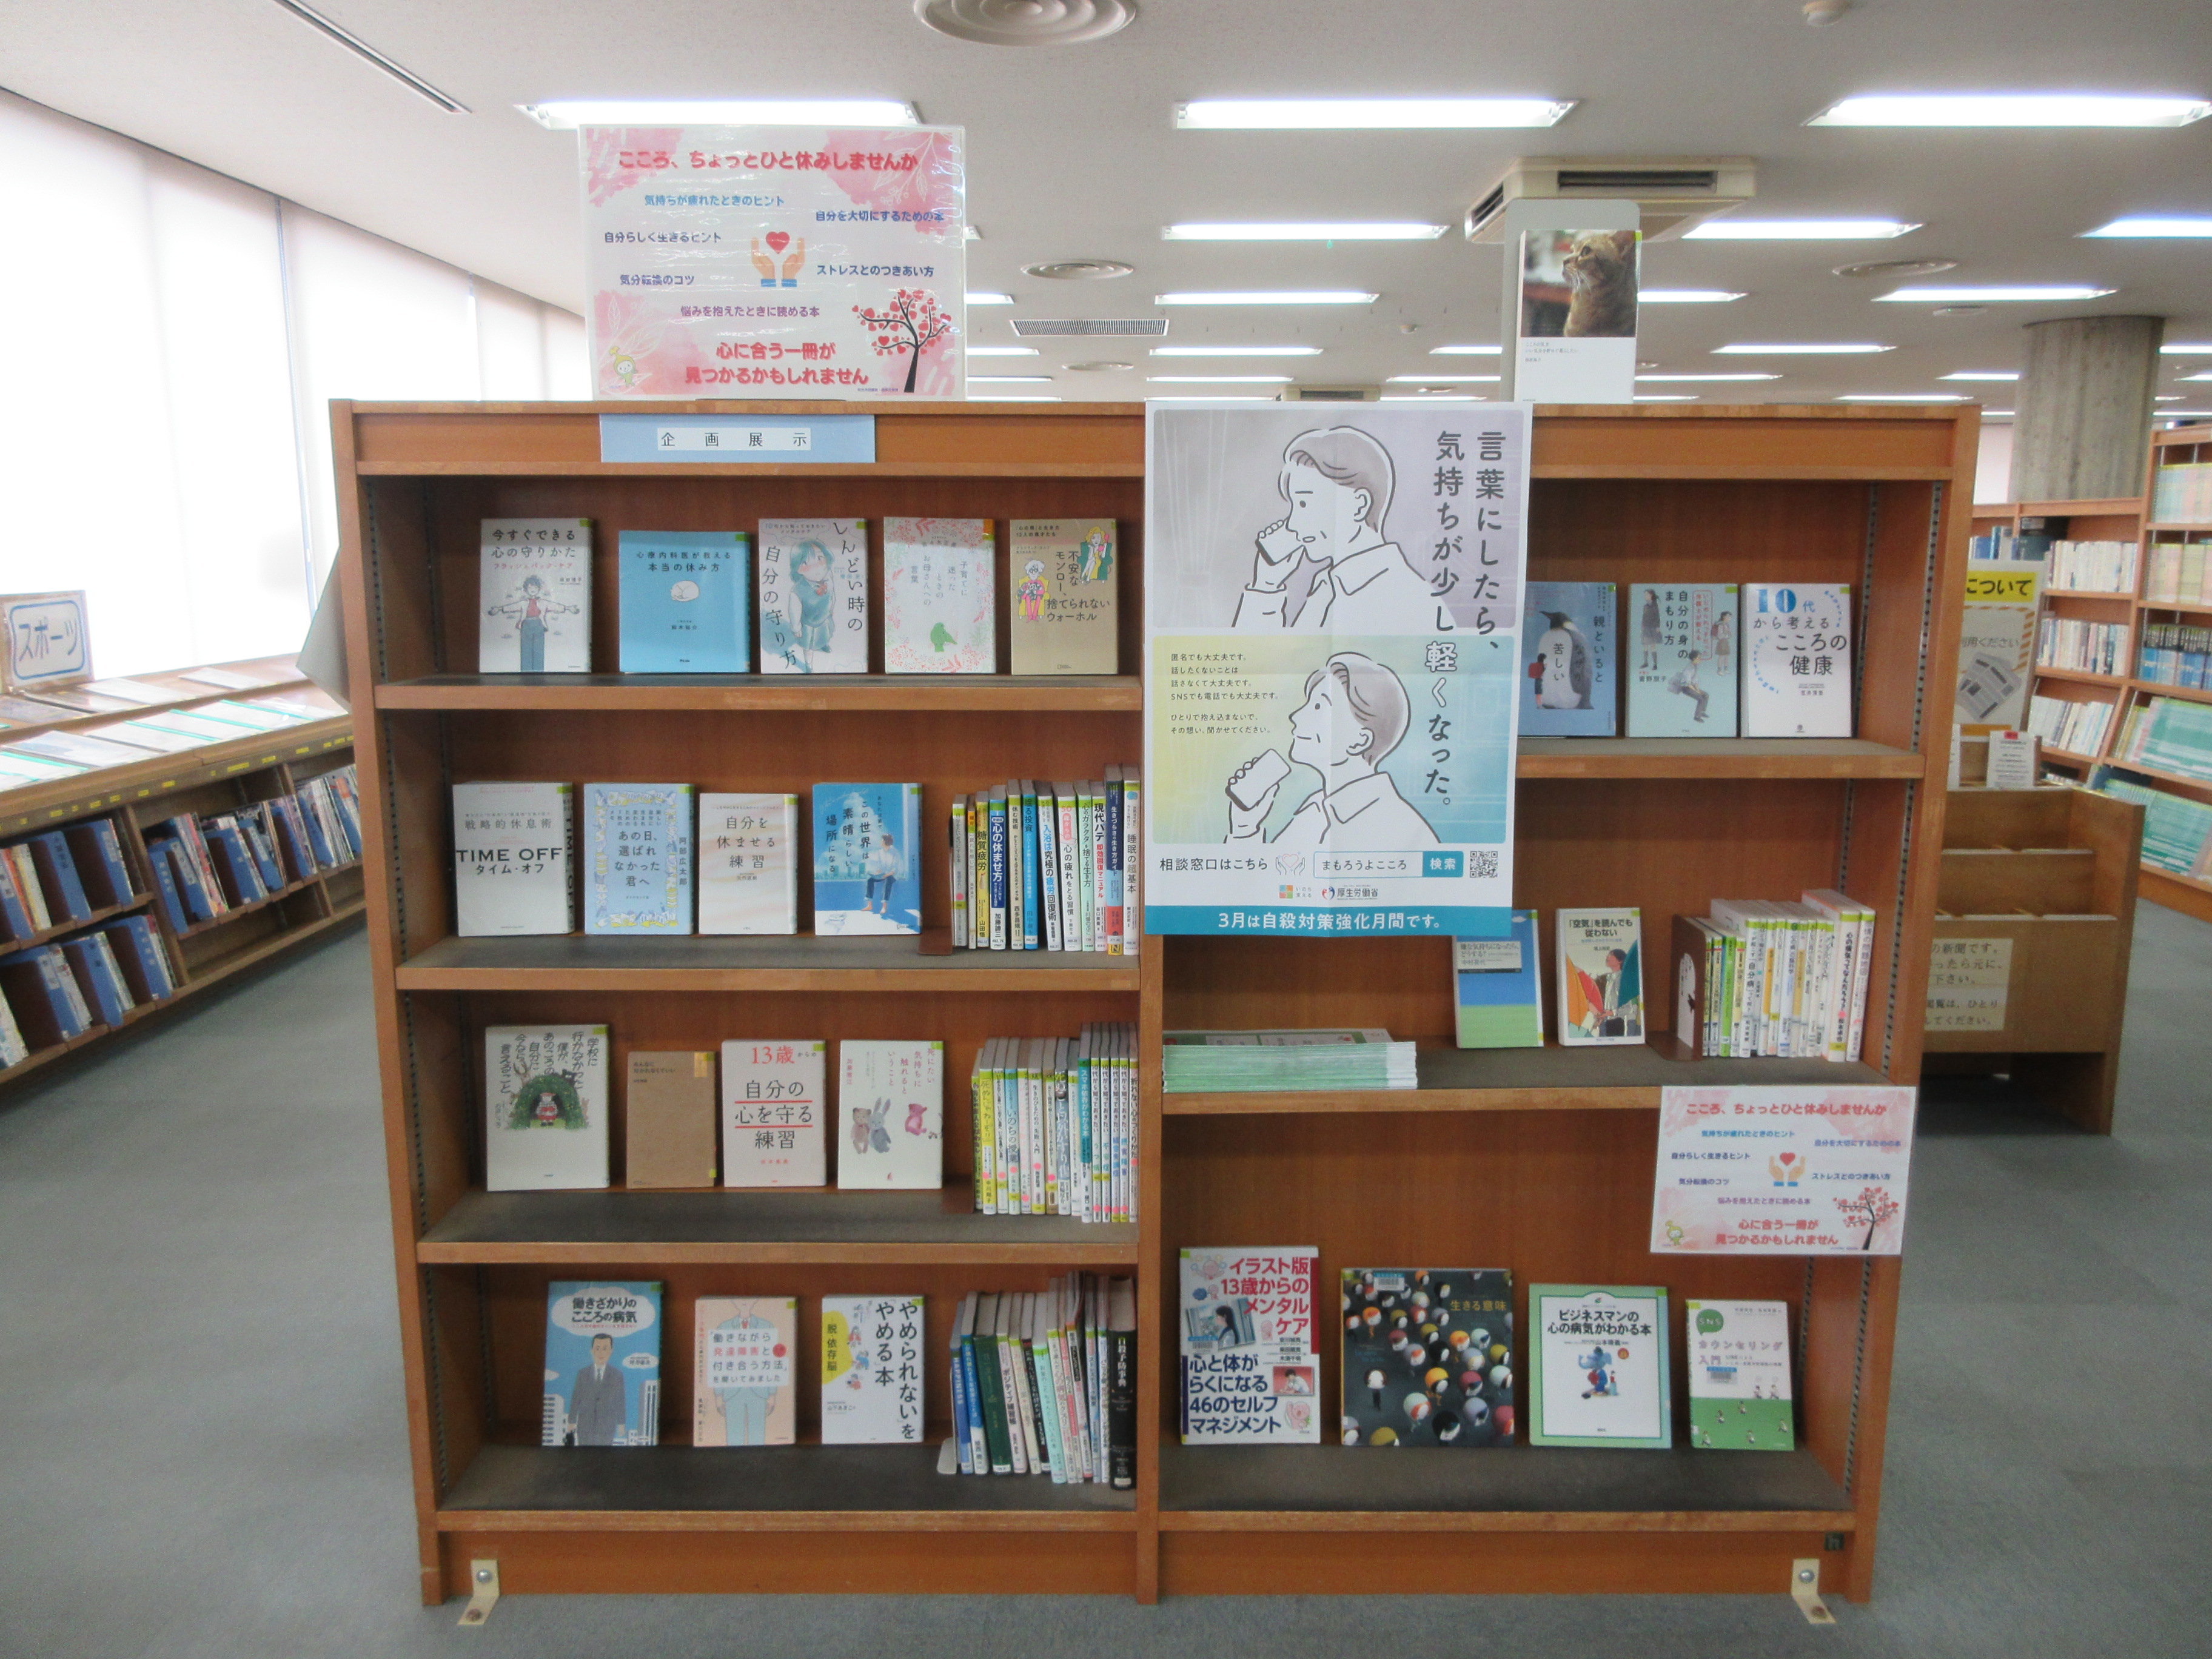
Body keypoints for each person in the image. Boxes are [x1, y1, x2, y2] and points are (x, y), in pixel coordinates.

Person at [1233, 427, 1450, 634]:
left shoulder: (1404, 598)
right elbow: (1260, 660)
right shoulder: (1327, 587)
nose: (1292, 525)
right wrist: (1266, 585)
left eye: (1304, 504)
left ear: (1360, 505)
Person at [1225, 652, 1439, 850]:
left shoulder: (1400, 828)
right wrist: (1245, 828)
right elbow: (1263, 875)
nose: (1296, 716)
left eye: (1319, 707)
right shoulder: (1313, 812)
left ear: (1360, 741)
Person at [569, 1331, 626, 1446]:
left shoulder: (617, 1375)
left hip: (607, 1426)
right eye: (598, 1348)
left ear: (611, 1351)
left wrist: (621, 1424)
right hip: (585, 1426)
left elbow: (620, 1400)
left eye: (605, 1349)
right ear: (592, 1351)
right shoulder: (582, 1374)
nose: (601, 1353)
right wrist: (572, 1421)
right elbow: (576, 1398)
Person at [862, 831, 901, 916]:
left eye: (882, 840)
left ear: (886, 841)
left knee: (888, 881)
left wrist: (886, 875)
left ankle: (884, 907)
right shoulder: (880, 852)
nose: (881, 842)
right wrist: (877, 872)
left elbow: (895, 869)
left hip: (892, 875)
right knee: (870, 880)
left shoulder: (895, 852)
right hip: (883, 874)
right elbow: (880, 866)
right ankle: (870, 906)